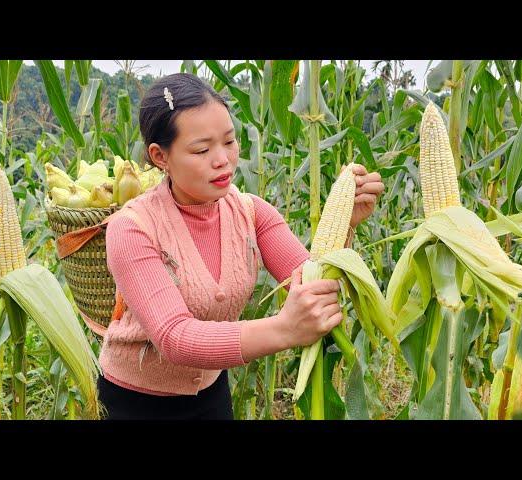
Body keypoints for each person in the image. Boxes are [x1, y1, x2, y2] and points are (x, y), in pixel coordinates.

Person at [97, 72, 385, 420]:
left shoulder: (250, 212)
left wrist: (345, 224)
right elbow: (175, 337)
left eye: (230, 142)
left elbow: (312, 281)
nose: (223, 160)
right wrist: (283, 328)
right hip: (136, 403)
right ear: (160, 156)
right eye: (202, 149)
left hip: (212, 394)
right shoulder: (132, 228)